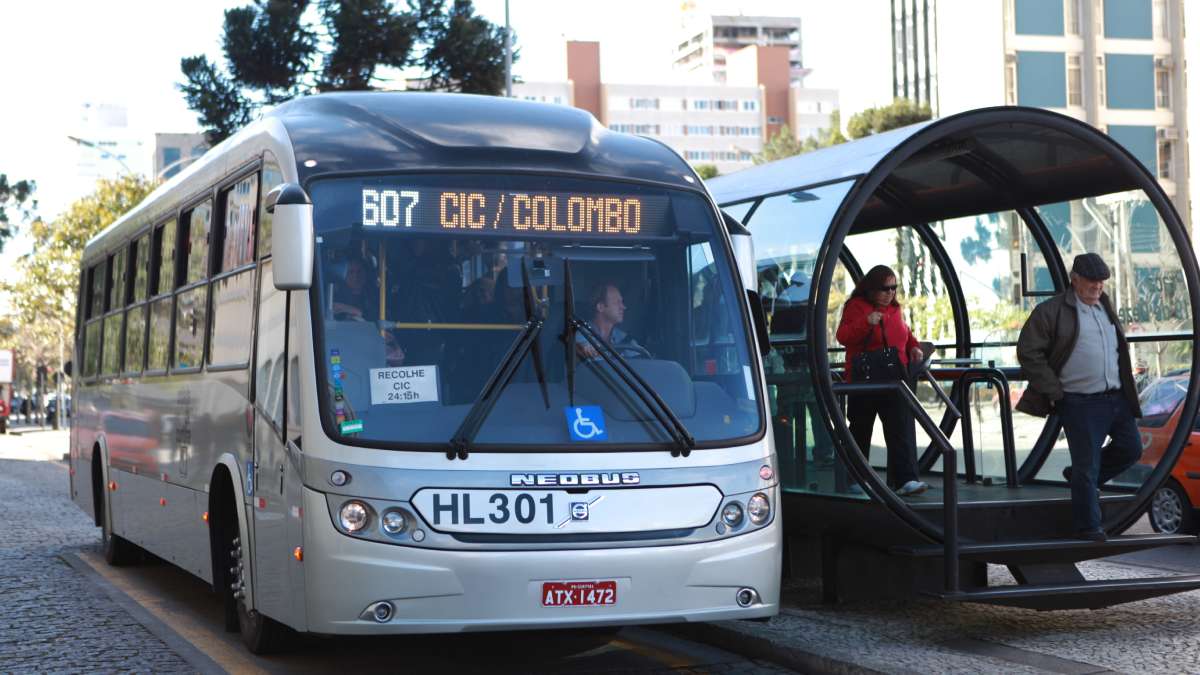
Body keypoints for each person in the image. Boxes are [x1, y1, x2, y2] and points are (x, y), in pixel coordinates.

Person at [1016, 252, 1142, 542]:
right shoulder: (1051, 311)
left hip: (1115, 398)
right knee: (1088, 465)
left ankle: (1079, 482)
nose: (1098, 286)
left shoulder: (1105, 306)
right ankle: (1089, 527)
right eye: (1092, 281)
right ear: (1075, 279)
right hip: (1079, 401)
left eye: (1101, 281)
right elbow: (1028, 351)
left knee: (1131, 448)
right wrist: (1055, 391)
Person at [835, 265, 928, 496]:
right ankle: (857, 477)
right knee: (861, 428)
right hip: (865, 380)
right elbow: (843, 336)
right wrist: (867, 321)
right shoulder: (856, 307)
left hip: (893, 378)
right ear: (871, 288)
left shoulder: (895, 309)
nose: (891, 293)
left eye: (894, 288)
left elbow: (904, 332)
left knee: (899, 428)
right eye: (885, 288)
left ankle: (905, 479)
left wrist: (914, 346)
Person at [576, 281, 649, 359]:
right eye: (617, 302)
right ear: (600, 307)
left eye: (622, 302)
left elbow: (640, 364)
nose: (623, 307)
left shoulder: (625, 339)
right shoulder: (582, 336)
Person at [331, 256, 377, 321]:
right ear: (344, 275)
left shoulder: (375, 295)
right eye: (351, 272)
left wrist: (354, 311)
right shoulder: (334, 294)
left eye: (359, 271)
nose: (355, 276)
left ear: (366, 273)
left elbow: (377, 319)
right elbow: (331, 310)